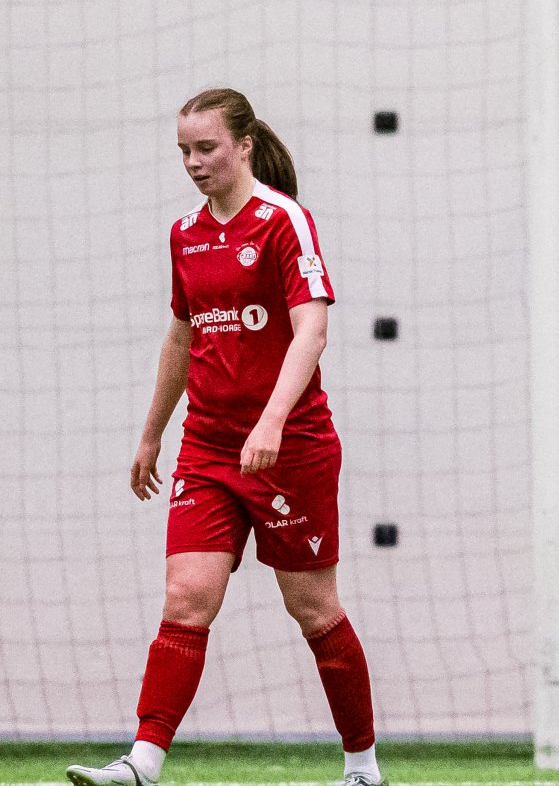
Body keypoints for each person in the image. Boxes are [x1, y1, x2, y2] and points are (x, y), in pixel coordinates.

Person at [68, 89, 381, 786]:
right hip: (208, 448)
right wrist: (152, 433)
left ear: (243, 145)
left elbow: (313, 328)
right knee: (186, 598)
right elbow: (182, 333)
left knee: (313, 609)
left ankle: (362, 765)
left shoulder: (283, 222)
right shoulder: (184, 233)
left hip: (290, 446)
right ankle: (142, 762)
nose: (193, 162)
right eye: (183, 150)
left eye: (205, 147)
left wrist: (271, 420)